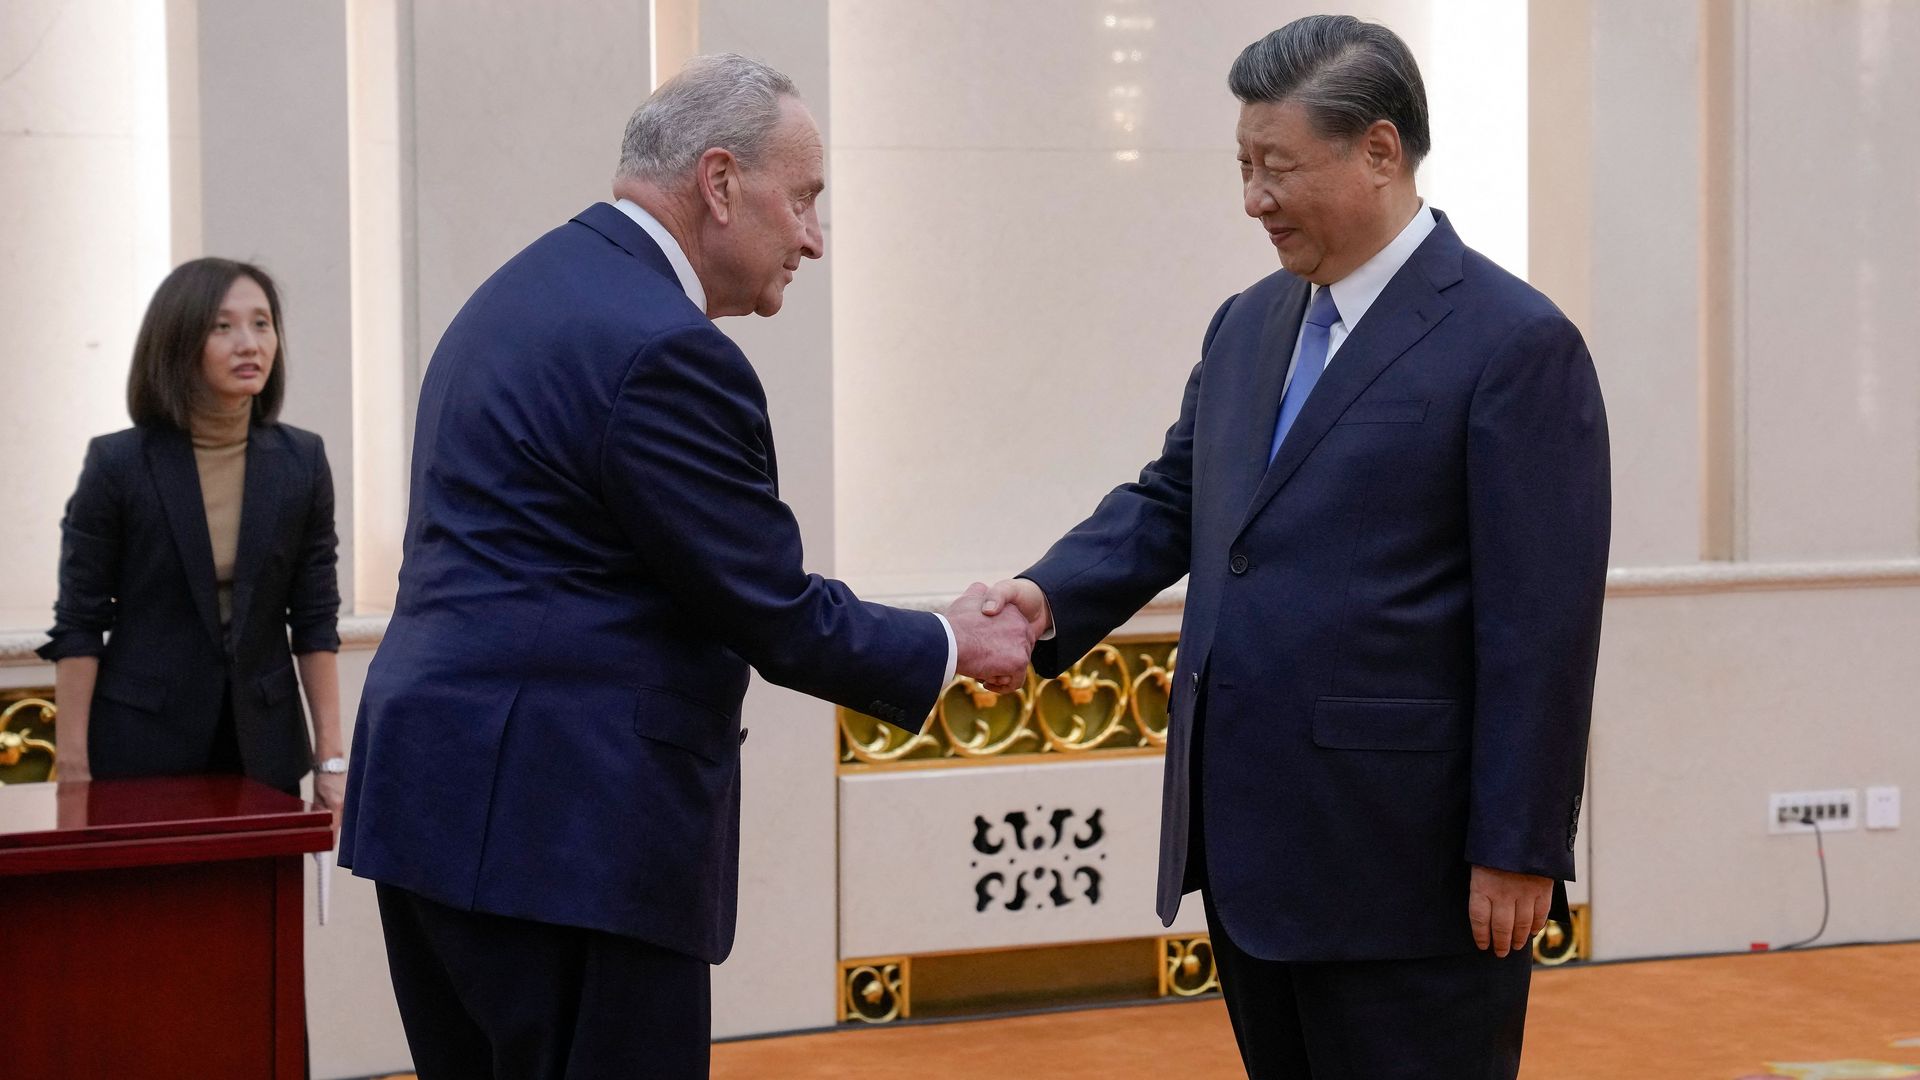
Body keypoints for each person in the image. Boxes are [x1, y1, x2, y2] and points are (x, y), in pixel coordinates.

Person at [338, 54, 1032, 1079]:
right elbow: (769, 607)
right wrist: (949, 642)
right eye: (803, 198)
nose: (814, 237)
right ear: (719, 182)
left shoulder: (523, 291)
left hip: (438, 814)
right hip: (569, 838)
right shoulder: (664, 349)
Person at [981, 16, 1611, 1079]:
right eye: (1243, 166)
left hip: (1410, 868)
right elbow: (1177, 500)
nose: (1253, 199)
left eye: (1276, 167)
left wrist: (1520, 845)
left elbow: (1540, 627)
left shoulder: (1515, 343)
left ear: (1379, 150)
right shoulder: (1248, 324)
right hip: (1251, 856)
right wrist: (1048, 596)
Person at [40, 258, 345, 815]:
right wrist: (74, 770)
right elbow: (80, 623)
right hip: (141, 749)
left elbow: (315, 618)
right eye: (222, 326)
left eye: (262, 323)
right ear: (179, 341)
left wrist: (331, 760)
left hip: (264, 750)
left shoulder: (302, 460)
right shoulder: (118, 465)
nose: (249, 343)